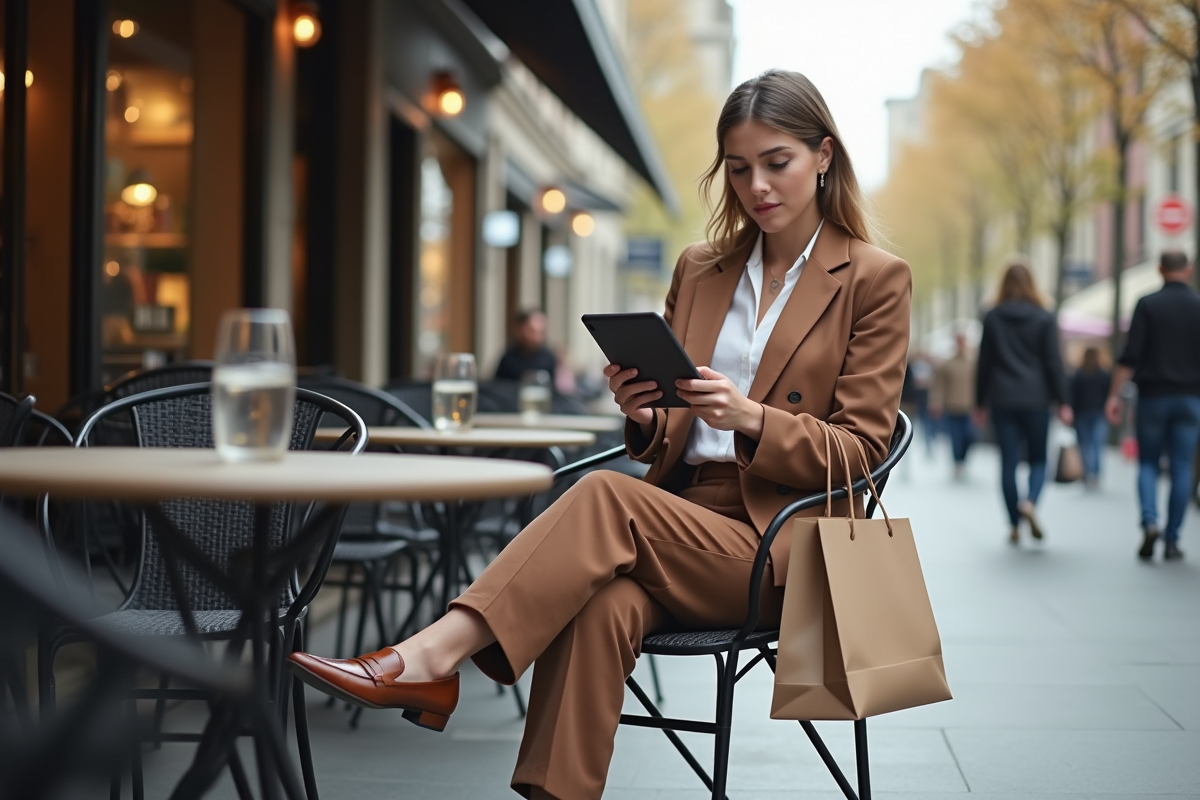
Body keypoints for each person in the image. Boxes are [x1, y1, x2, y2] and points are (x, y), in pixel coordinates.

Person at [287, 69, 912, 800]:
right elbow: (671, 428)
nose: (757, 186)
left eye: (777, 163)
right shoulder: (702, 269)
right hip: (677, 520)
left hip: (783, 540)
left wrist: (751, 417)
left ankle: (430, 657)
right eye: (738, 168)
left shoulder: (873, 278)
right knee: (601, 607)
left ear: (824, 156)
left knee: (603, 495)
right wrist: (646, 414)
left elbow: (861, 453)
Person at [1106, 250, 1200, 562]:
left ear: (1160, 270)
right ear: (1189, 270)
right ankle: (1172, 539)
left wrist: (1114, 396)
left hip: (1152, 398)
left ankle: (1149, 521)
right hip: (1190, 398)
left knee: (1147, 463)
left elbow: (1130, 355)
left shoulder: (1147, 304)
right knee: (1181, 467)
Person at [975, 258, 1070, 545]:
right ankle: (1030, 502)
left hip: (1003, 398)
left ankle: (1014, 525)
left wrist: (979, 402)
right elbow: (1054, 362)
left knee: (1009, 461)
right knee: (1039, 458)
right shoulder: (1044, 316)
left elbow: (984, 363)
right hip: (1037, 398)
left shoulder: (991, 316)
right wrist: (1063, 400)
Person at [930, 332, 976, 480]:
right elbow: (939, 385)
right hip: (952, 406)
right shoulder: (948, 363)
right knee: (955, 437)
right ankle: (957, 463)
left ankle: (963, 459)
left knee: (970, 436)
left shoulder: (973, 362)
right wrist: (936, 402)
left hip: (970, 407)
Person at [1069, 346, 1111, 490]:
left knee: (1085, 445)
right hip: (1099, 413)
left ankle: (1088, 474)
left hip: (1082, 414)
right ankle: (1096, 473)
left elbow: (1072, 396)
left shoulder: (1079, 375)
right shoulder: (1104, 375)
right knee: (1097, 445)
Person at [494, 309, 558, 381]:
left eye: (541, 332)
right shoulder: (508, 359)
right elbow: (497, 386)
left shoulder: (548, 357)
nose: (536, 338)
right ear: (520, 329)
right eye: (532, 331)